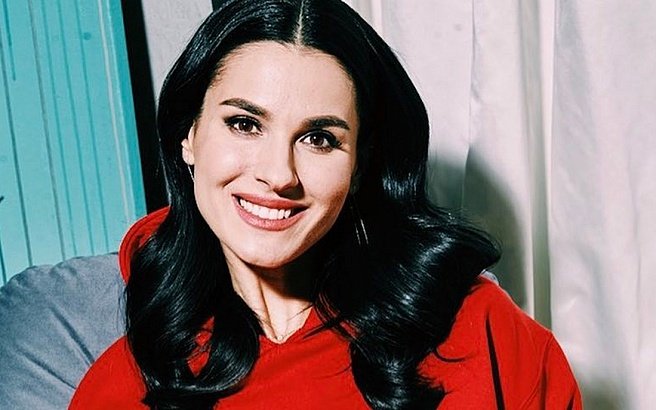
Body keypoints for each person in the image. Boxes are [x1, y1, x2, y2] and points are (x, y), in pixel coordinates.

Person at [0, 0, 582, 408]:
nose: (278, 174)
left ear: (359, 165)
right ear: (188, 136)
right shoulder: (124, 389)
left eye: (320, 138)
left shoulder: (480, 328)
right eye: (244, 123)